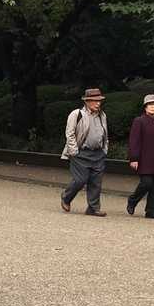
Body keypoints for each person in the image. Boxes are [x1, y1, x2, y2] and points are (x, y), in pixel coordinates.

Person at [60, 87, 109, 216]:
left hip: (98, 153)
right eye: (95, 101)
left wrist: (104, 149)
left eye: (99, 101)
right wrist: (74, 151)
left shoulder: (102, 115)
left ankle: (93, 208)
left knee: (96, 182)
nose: (98, 103)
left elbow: (105, 133)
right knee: (80, 180)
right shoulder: (77, 114)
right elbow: (69, 133)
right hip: (81, 152)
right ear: (87, 101)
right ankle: (66, 197)